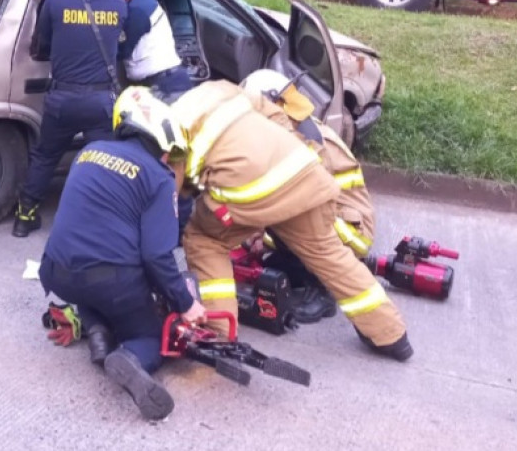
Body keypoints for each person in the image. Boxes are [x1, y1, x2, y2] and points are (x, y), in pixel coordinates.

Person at [171, 80, 413, 361]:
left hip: (259, 192)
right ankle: (391, 335)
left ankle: (218, 333)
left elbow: (175, 187)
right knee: (328, 253)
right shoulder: (227, 90)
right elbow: (278, 121)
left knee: (204, 239)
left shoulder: (170, 129)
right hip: (305, 176)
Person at [40, 87, 206, 421]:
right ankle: (129, 357)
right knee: (151, 334)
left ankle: (97, 327)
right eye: (169, 154)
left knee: (91, 288)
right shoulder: (157, 178)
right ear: (161, 144)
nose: (169, 161)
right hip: (110, 279)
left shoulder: (89, 151)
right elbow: (161, 253)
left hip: (56, 270)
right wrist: (186, 302)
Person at [240, 69, 376, 322]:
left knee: (291, 214)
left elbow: (299, 201)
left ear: (273, 104)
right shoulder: (293, 127)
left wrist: (260, 227)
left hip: (349, 232)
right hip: (333, 218)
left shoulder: (307, 141)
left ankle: (322, 292)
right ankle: (298, 265)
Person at [13, 0, 128, 236]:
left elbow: (44, 41)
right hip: (100, 102)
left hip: (61, 99)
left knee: (45, 156)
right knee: (103, 162)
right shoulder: (118, 4)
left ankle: (24, 219)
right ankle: (96, 225)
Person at [110, 0, 191, 96]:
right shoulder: (143, 1)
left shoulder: (138, 10)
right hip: (164, 81)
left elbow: (120, 50)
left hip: (164, 86)